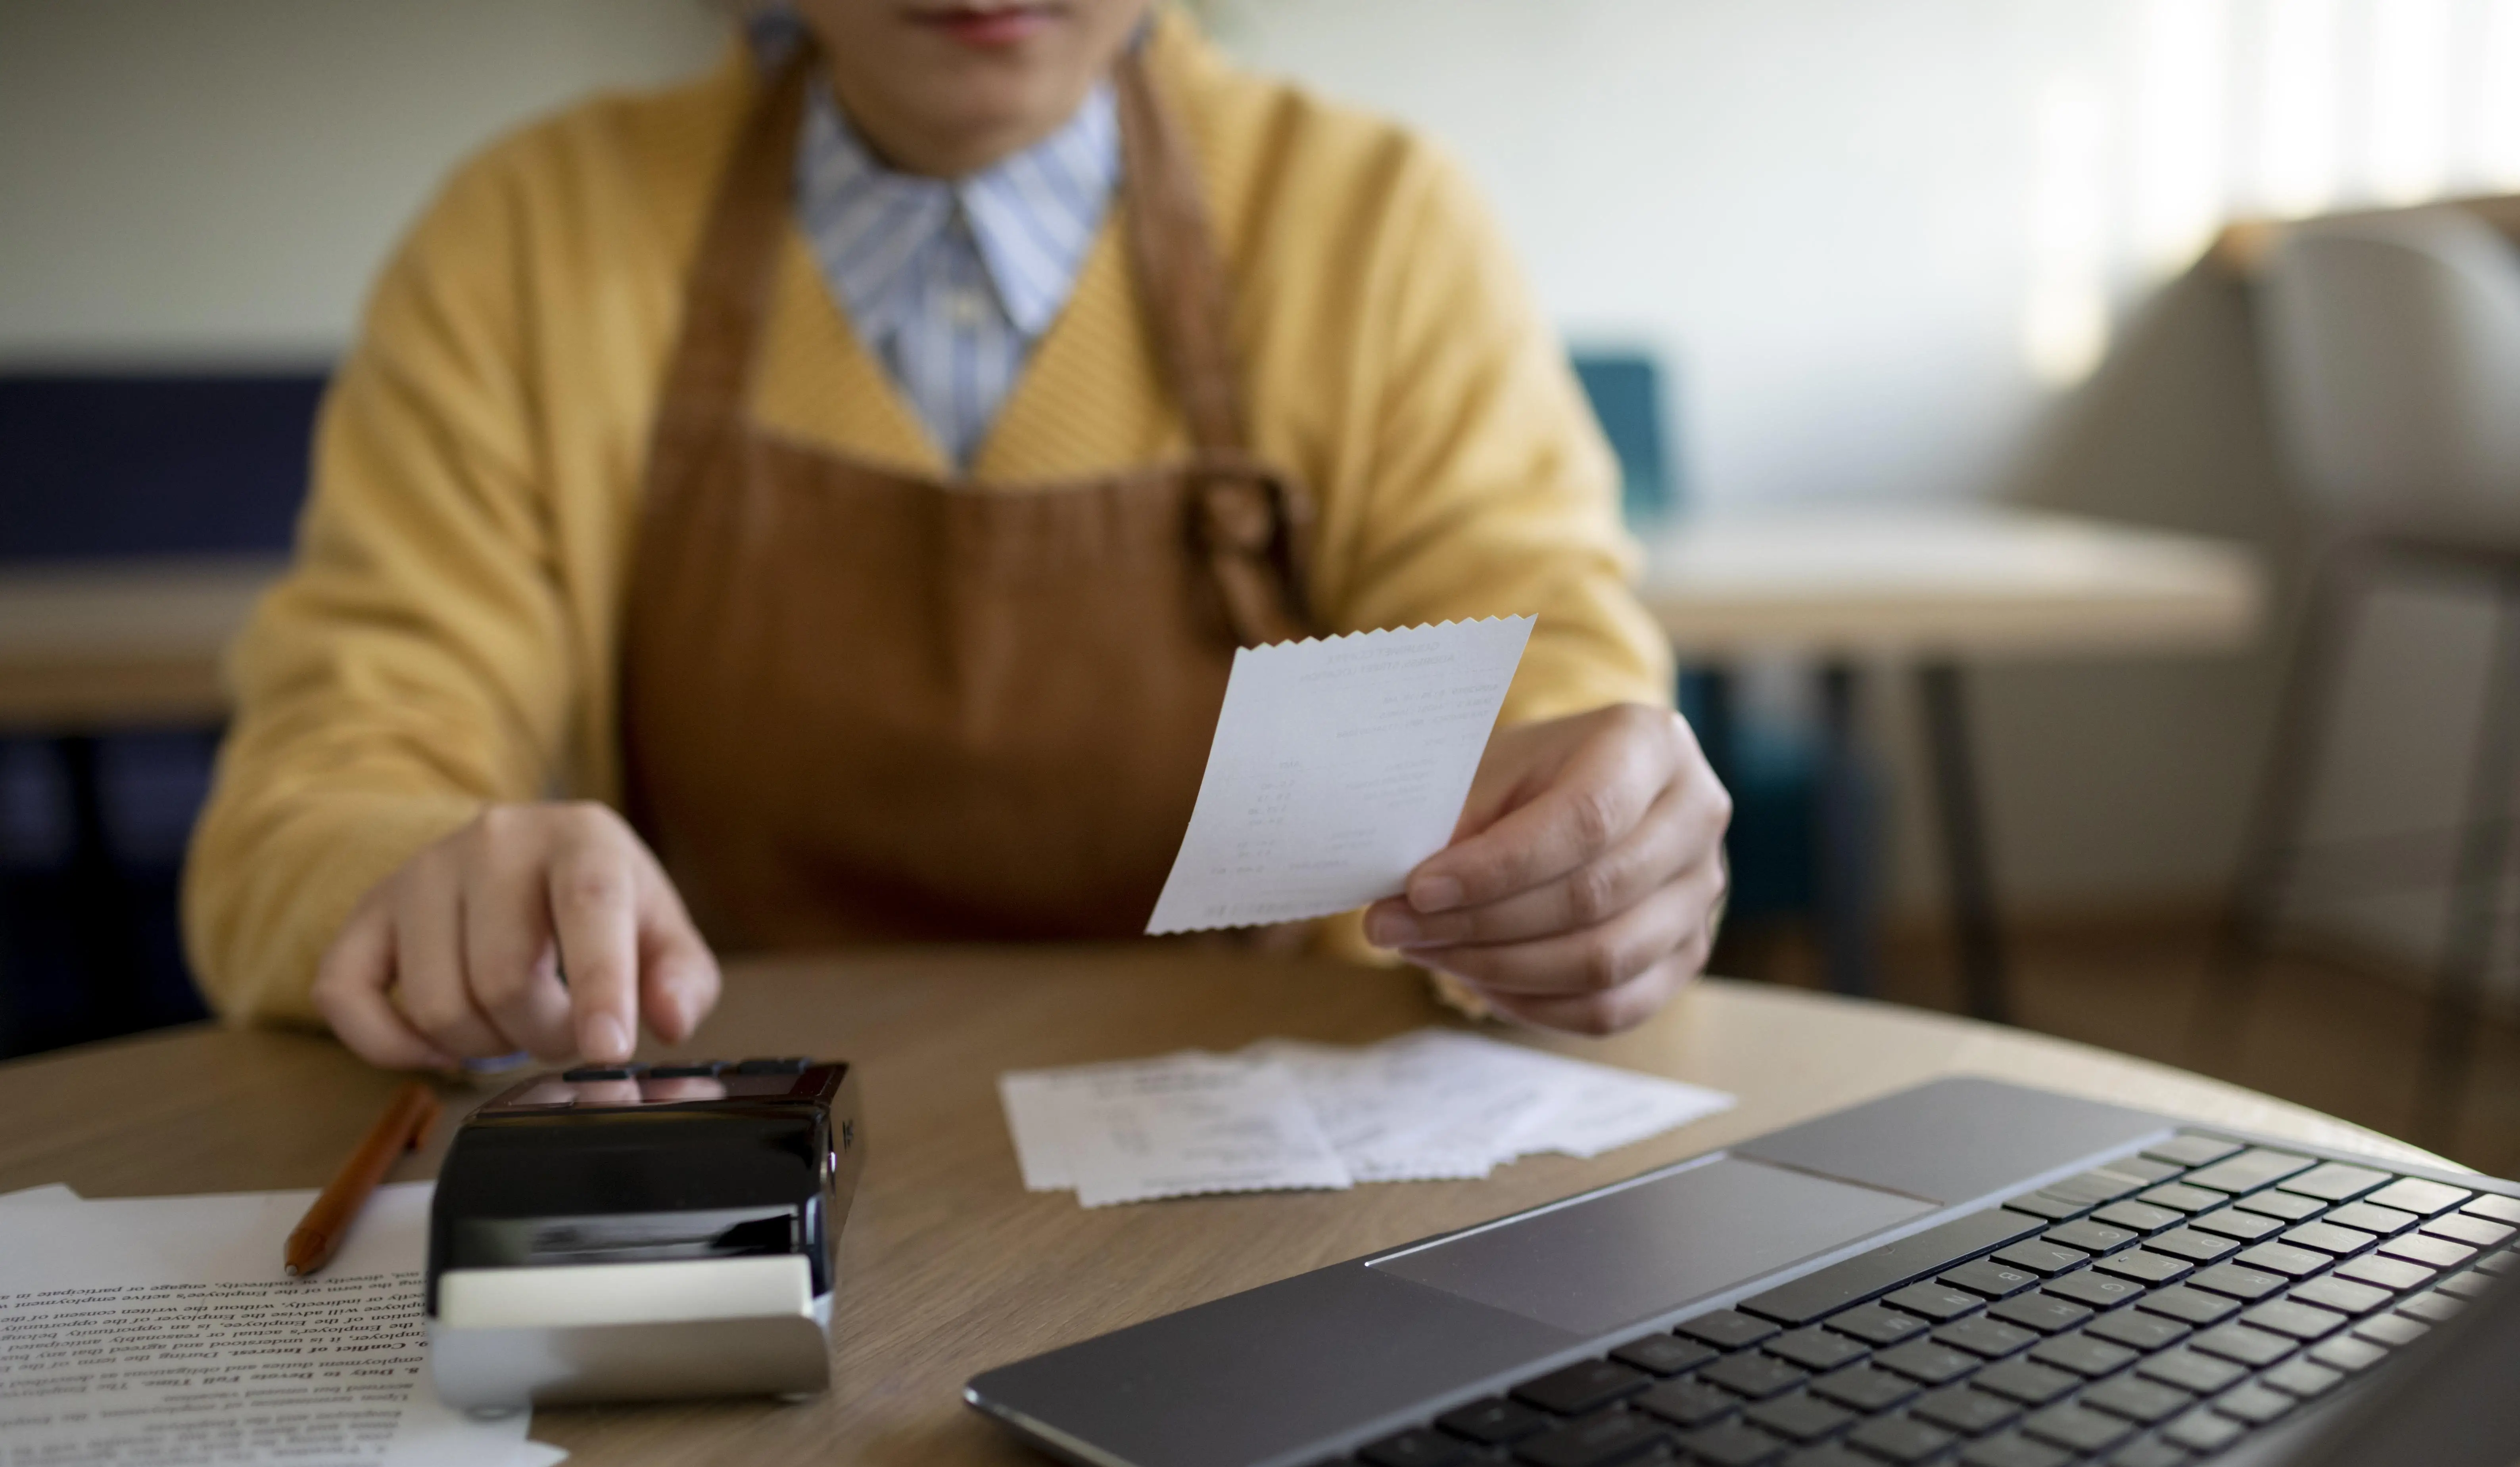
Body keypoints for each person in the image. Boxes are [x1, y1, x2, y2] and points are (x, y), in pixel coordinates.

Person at [182, 0, 1730, 1069]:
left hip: (1289, 1158)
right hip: (723, 1155)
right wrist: (423, 879)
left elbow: (1538, 672)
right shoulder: (524, 241)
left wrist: (1585, 843)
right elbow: (321, 788)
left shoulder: (1379, 224)